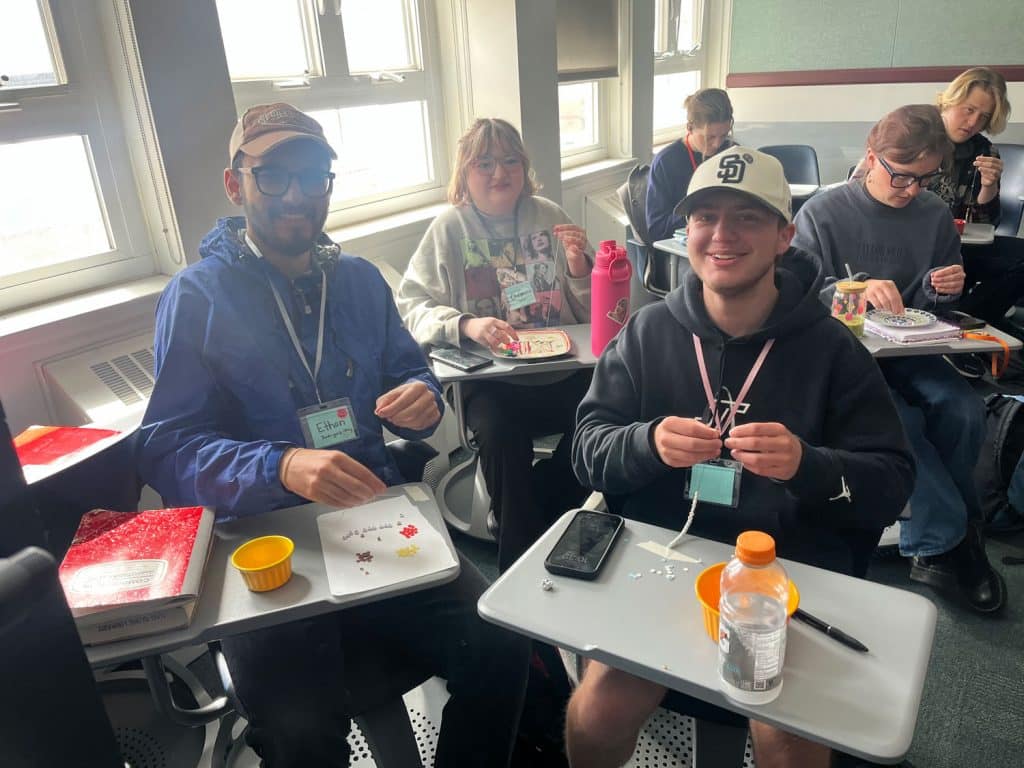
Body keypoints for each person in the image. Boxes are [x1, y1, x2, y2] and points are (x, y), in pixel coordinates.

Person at [137, 103, 529, 767]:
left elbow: (410, 373)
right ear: (235, 184)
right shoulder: (197, 297)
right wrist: (280, 465)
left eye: (314, 176)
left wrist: (423, 399)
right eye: (274, 176)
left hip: (372, 521)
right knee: (301, 731)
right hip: (265, 548)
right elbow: (166, 448)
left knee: (503, 645)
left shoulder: (360, 282)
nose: (297, 194)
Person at [568, 147, 915, 768]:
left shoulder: (834, 351)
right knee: (597, 714)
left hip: (787, 580)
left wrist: (807, 464)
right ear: (687, 232)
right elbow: (587, 449)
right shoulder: (646, 333)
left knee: (788, 746)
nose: (722, 235)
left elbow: (892, 485)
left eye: (747, 218)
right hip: (661, 563)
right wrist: (646, 443)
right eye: (705, 217)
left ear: (785, 236)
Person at [793, 104, 1007, 614]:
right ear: (871, 157)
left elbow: (934, 302)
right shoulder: (822, 213)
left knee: (963, 408)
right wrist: (853, 290)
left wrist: (946, 286)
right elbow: (797, 292)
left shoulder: (933, 214)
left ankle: (941, 532)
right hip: (841, 354)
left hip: (910, 348)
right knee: (900, 420)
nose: (913, 190)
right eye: (902, 176)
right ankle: (951, 543)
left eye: (925, 179)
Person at [397, 117, 594, 572]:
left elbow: (591, 314)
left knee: (607, 418)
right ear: (464, 173)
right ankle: (517, 569)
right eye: (484, 164)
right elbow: (411, 306)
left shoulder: (550, 215)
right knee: (501, 435)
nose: (499, 173)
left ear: (524, 168)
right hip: (492, 385)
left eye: (510, 162)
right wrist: (465, 324)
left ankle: (540, 501)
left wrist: (580, 269)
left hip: (563, 373)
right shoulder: (449, 229)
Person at [933, 67, 1024, 326]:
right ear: (951, 100)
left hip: (960, 247)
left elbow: (985, 227)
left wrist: (989, 187)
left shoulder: (984, 150)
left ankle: (965, 320)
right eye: (969, 110)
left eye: (983, 117)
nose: (973, 122)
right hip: (913, 246)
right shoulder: (917, 132)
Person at [645, 87, 735, 242]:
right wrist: (697, 212)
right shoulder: (666, 162)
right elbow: (657, 229)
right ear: (689, 128)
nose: (717, 144)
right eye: (709, 137)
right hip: (685, 247)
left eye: (724, 135)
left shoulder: (732, 152)